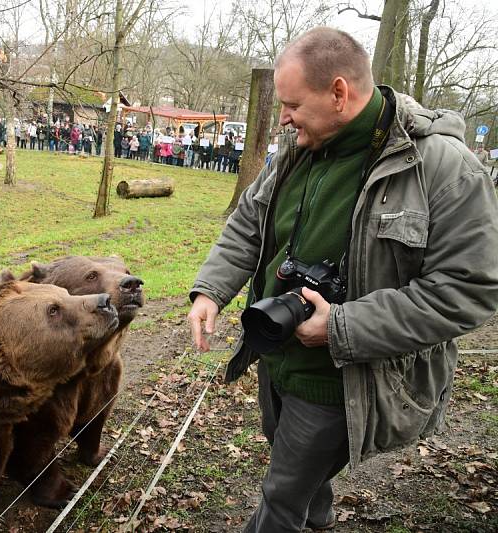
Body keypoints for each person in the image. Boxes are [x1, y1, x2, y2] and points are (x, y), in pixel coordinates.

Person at [187, 27, 498, 533]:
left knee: (280, 498)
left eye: (292, 104)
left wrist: (342, 326)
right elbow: (248, 221)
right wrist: (211, 290)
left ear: (338, 93)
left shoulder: (444, 168)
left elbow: (469, 290)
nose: (283, 118)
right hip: (276, 353)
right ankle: (320, 518)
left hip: (343, 377)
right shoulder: (301, 147)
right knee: (298, 473)